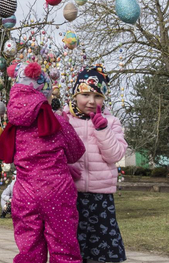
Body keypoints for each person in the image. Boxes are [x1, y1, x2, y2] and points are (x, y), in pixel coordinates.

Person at [0, 62, 86, 263]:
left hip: (25, 193)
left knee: (29, 250)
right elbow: (76, 152)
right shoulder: (57, 122)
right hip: (57, 191)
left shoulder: (13, 125)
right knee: (64, 248)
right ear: (44, 93)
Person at [65, 65, 129, 262]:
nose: (91, 101)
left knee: (104, 251)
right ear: (75, 94)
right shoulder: (63, 120)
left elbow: (115, 155)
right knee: (72, 248)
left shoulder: (111, 122)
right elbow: (53, 152)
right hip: (70, 195)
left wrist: (102, 130)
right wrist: (64, 168)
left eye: (98, 96)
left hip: (101, 198)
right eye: (85, 95)